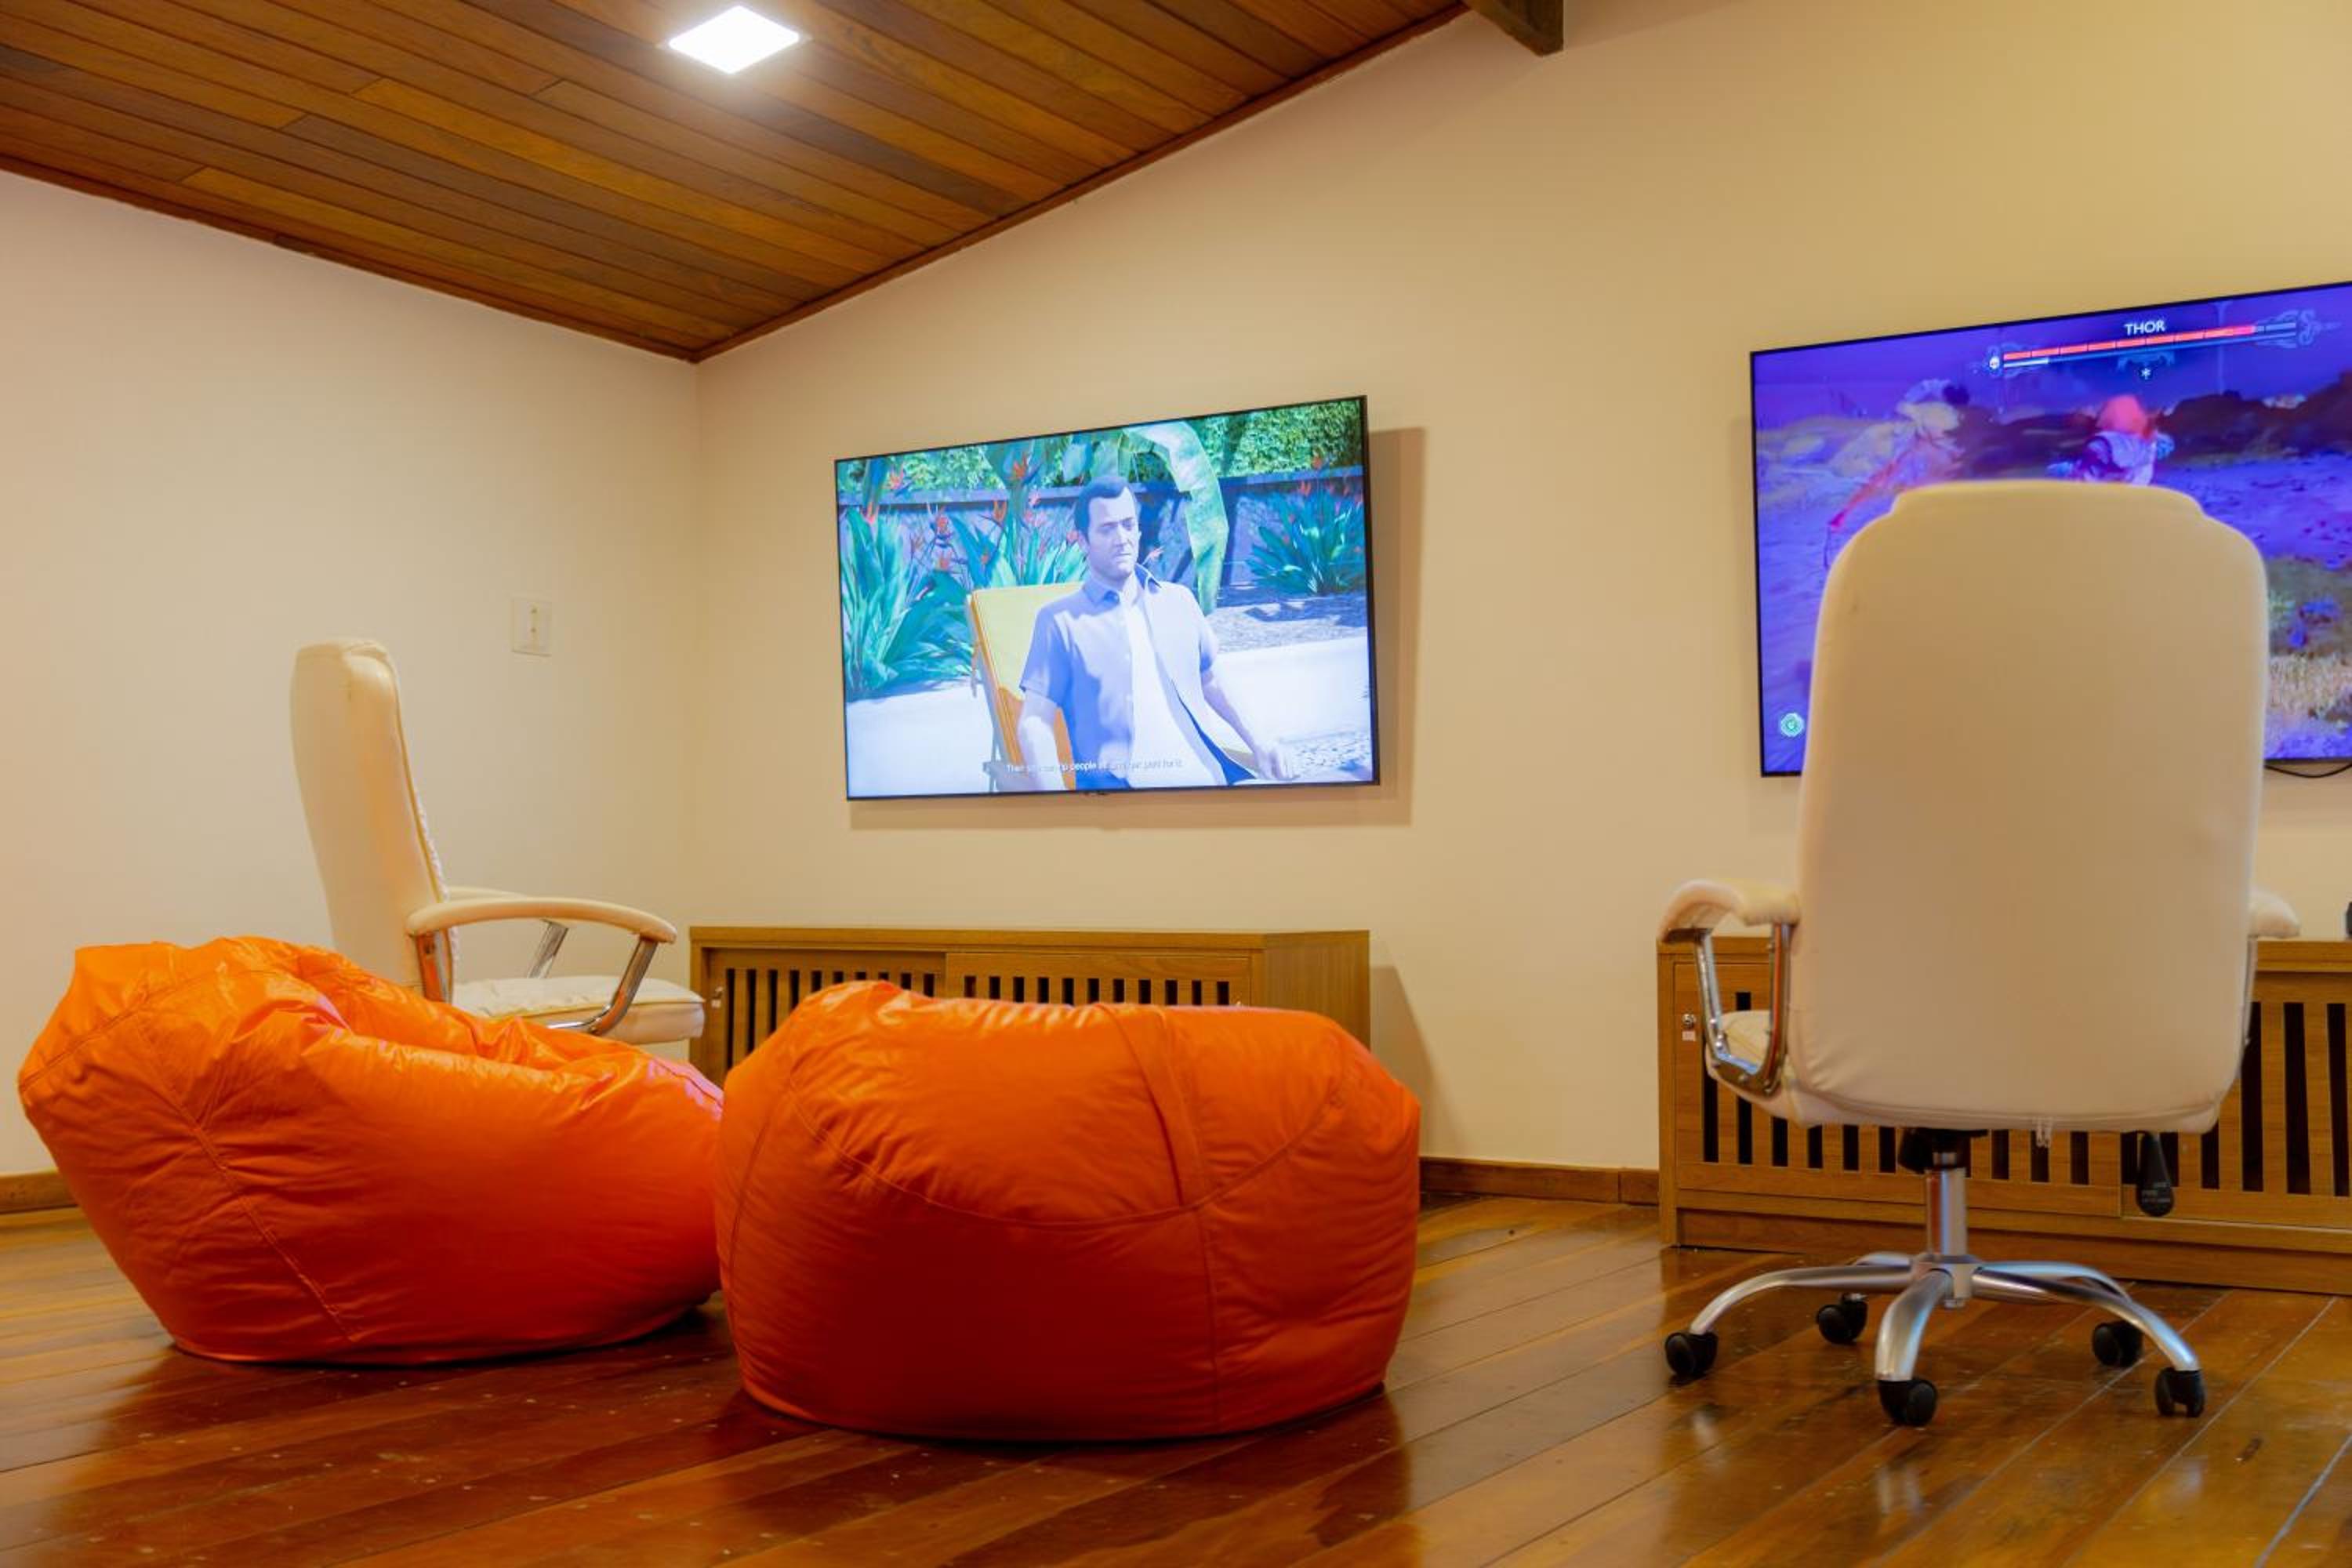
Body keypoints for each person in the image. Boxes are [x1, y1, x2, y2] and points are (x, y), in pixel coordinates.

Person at [1015, 477, 1292, 790]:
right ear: (1083, 541)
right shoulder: (1059, 621)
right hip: (1121, 799)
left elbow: (1211, 680)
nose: (1122, 539)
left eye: (1128, 525)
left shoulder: (1179, 601)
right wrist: (1055, 803)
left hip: (1210, 782)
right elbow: (1034, 722)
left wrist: (1261, 742)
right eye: (1107, 529)